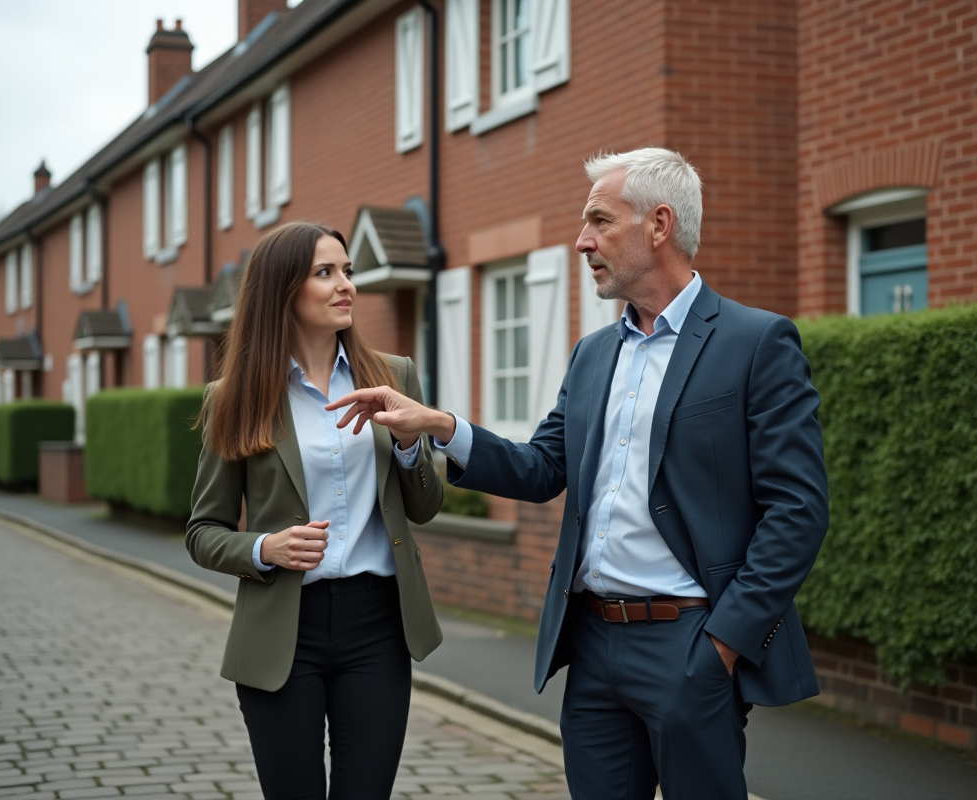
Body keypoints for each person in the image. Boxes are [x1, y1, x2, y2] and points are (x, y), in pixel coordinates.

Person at [329, 148, 829, 799]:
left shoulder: (756, 342)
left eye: (599, 220)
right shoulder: (592, 354)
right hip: (591, 647)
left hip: (691, 645)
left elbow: (798, 510)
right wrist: (441, 426)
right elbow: (543, 468)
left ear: (659, 225)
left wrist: (723, 646)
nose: (581, 240)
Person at [186, 222, 443, 800]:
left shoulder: (394, 376)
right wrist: (264, 548)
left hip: (377, 624)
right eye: (325, 273)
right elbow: (203, 531)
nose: (345, 284)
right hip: (282, 629)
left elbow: (425, 506)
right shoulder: (235, 398)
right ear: (283, 290)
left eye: (347, 270)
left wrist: (410, 443)